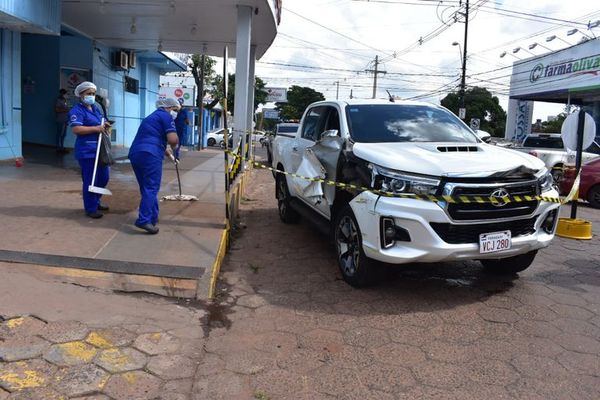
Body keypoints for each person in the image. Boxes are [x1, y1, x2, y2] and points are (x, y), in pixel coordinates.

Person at [128, 98, 180, 234]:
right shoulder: (166, 116)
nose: (176, 113)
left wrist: (169, 154)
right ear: (169, 107)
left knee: (147, 188)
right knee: (151, 187)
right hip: (151, 155)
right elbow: (173, 139)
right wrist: (175, 147)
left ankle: (152, 216)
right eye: (175, 110)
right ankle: (143, 220)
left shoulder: (151, 117)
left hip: (136, 153)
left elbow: (152, 138)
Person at [68, 81, 112, 219]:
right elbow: (76, 129)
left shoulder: (95, 108)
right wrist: (95, 128)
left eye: (93, 94)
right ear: (81, 95)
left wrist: (105, 125)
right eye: (88, 94)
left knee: (104, 177)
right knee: (90, 180)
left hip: (100, 150)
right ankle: (90, 208)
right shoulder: (76, 111)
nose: (91, 96)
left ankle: (96, 200)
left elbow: (100, 122)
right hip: (87, 151)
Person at [55, 89, 69, 153]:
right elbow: (57, 110)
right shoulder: (59, 100)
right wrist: (65, 110)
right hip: (60, 119)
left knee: (64, 134)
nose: (67, 95)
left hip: (65, 119)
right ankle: (58, 147)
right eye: (66, 94)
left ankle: (62, 146)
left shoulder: (65, 101)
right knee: (59, 133)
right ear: (63, 94)